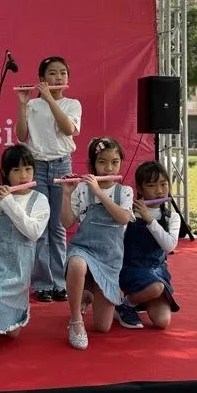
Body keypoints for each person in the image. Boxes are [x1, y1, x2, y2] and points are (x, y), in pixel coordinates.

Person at [16, 56, 82, 303]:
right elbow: (21, 135)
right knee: (40, 226)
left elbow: (68, 129)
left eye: (62, 73)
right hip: (37, 166)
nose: (58, 77)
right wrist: (22, 104)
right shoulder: (32, 105)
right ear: (41, 79)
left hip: (62, 165)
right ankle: (42, 283)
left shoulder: (72, 104)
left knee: (58, 226)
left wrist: (51, 100)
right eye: (52, 73)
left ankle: (60, 282)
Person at [60, 138, 133, 350]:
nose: (109, 168)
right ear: (93, 165)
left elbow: (123, 218)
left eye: (114, 162)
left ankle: (88, 293)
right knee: (76, 264)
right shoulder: (82, 189)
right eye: (102, 162)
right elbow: (66, 222)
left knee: (103, 327)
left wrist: (99, 192)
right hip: (83, 248)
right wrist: (66, 194)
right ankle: (76, 320)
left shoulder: (125, 191)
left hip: (109, 258)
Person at [0, 145, 49, 342]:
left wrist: (8, 202)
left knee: (12, 334)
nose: (23, 175)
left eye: (28, 169)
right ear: (6, 173)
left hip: (19, 267)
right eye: (16, 170)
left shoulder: (40, 200)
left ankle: (0, 317)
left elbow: (33, 232)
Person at [115, 160, 181, 331]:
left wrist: (149, 219)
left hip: (157, 272)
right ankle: (126, 304)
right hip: (131, 270)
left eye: (163, 184)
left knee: (162, 322)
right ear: (140, 188)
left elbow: (169, 246)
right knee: (156, 288)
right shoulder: (128, 214)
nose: (159, 191)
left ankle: (136, 300)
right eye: (151, 185)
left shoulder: (172, 217)